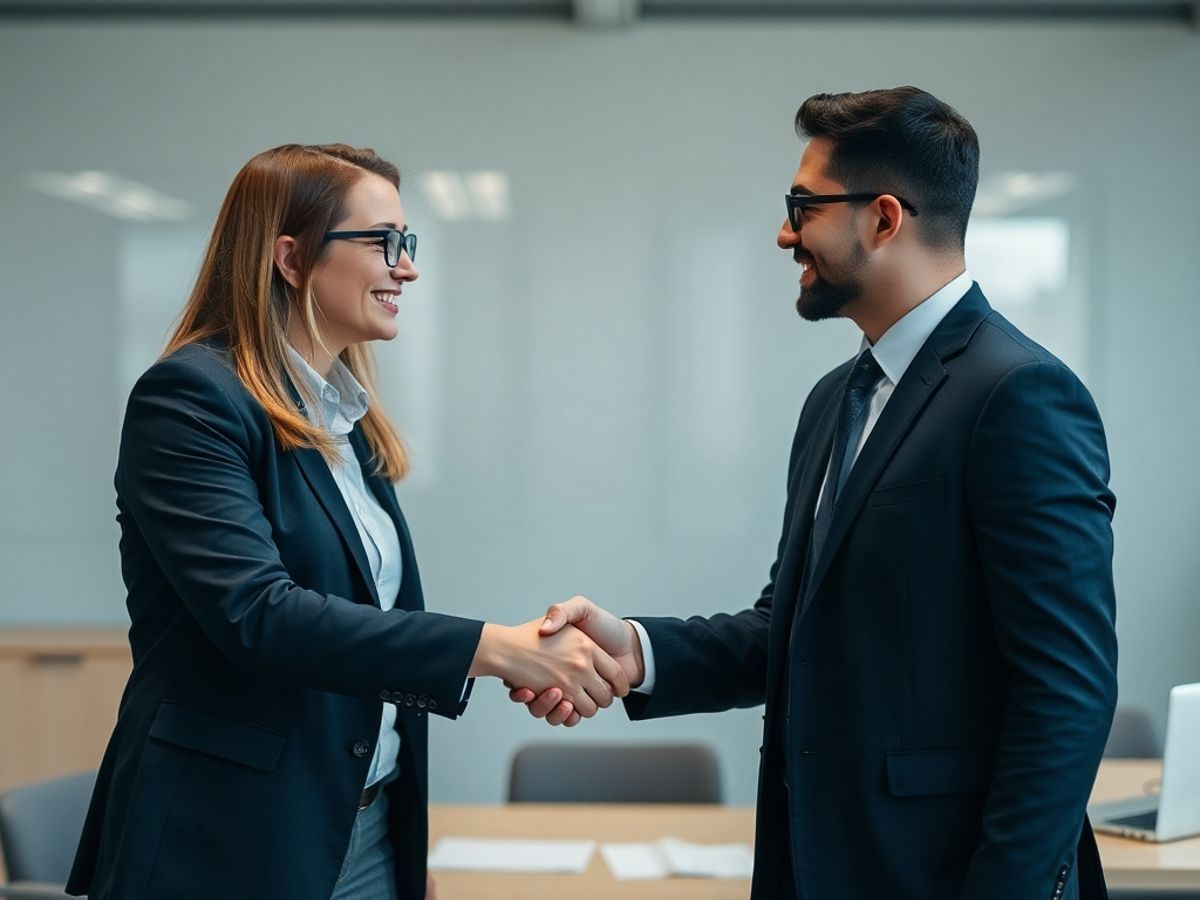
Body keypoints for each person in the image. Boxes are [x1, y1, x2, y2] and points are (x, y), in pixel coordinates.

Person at [512, 87, 1118, 900]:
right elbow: (791, 629)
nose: (784, 232)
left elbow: (1067, 690)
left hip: (945, 875)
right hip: (820, 866)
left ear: (884, 218)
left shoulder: (1020, 394)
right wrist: (636, 650)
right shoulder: (838, 399)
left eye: (803, 206)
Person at [66, 143, 630, 900]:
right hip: (227, 842)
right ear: (291, 259)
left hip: (356, 829)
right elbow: (261, 616)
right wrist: (497, 649)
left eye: (409, 242)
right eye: (383, 242)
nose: (407, 268)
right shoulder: (190, 399)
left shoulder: (344, 417)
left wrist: (395, 841)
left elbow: (364, 630)